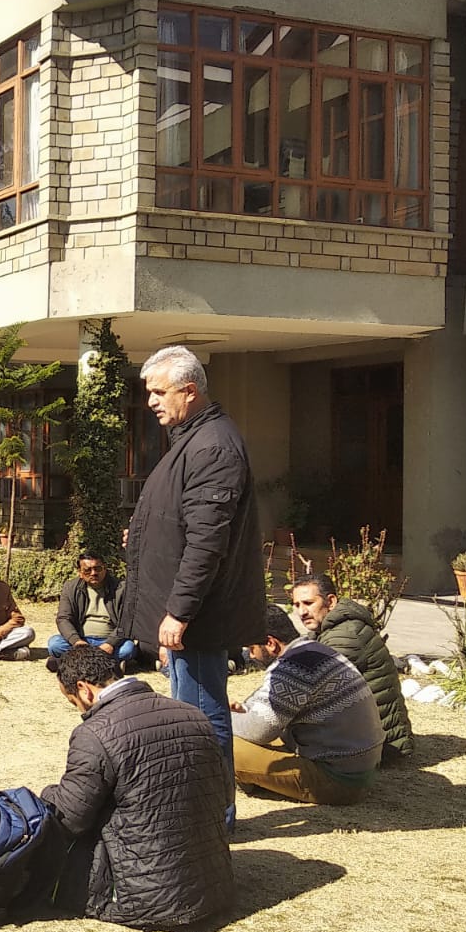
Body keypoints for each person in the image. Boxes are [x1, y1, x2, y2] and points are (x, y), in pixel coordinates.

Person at [120, 345, 264, 825]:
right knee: (190, 713)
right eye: (150, 393)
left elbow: (207, 541)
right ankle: (199, 813)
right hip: (190, 610)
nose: (152, 402)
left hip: (200, 614)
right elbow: (183, 519)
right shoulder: (193, 438)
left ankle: (211, 820)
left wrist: (179, 611)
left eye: (160, 392)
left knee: (200, 716)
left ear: (190, 390)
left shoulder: (212, 446)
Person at [39, 646, 234, 929]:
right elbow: (225, 795)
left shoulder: (93, 733)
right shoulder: (194, 715)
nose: (79, 710)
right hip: (213, 889)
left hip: (143, 898)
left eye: (73, 702)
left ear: (84, 690)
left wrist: (47, 794)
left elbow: (71, 818)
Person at [231, 605, 384, 805]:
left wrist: (222, 717)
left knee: (221, 743)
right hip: (359, 769)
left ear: (271, 643)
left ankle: (251, 779)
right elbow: (267, 711)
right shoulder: (315, 651)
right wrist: (244, 712)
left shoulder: (291, 668)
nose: (251, 656)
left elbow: (259, 731)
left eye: (251, 648)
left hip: (338, 780)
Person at [291, 573, 414, 763]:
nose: (301, 612)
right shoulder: (330, 630)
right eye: (297, 605)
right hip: (370, 737)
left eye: (308, 603)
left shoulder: (345, 636)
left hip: (380, 746)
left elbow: (310, 689)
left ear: (331, 601)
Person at [48, 553, 138, 667]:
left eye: (98, 568)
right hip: (81, 639)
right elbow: (63, 618)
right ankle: (109, 664)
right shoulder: (70, 587)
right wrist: (77, 641)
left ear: (105, 568)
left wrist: (110, 643)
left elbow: (126, 621)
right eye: (87, 570)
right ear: (80, 572)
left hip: (109, 640)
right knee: (55, 644)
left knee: (127, 649)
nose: (94, 573)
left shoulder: (121, 588)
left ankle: (73, 662)